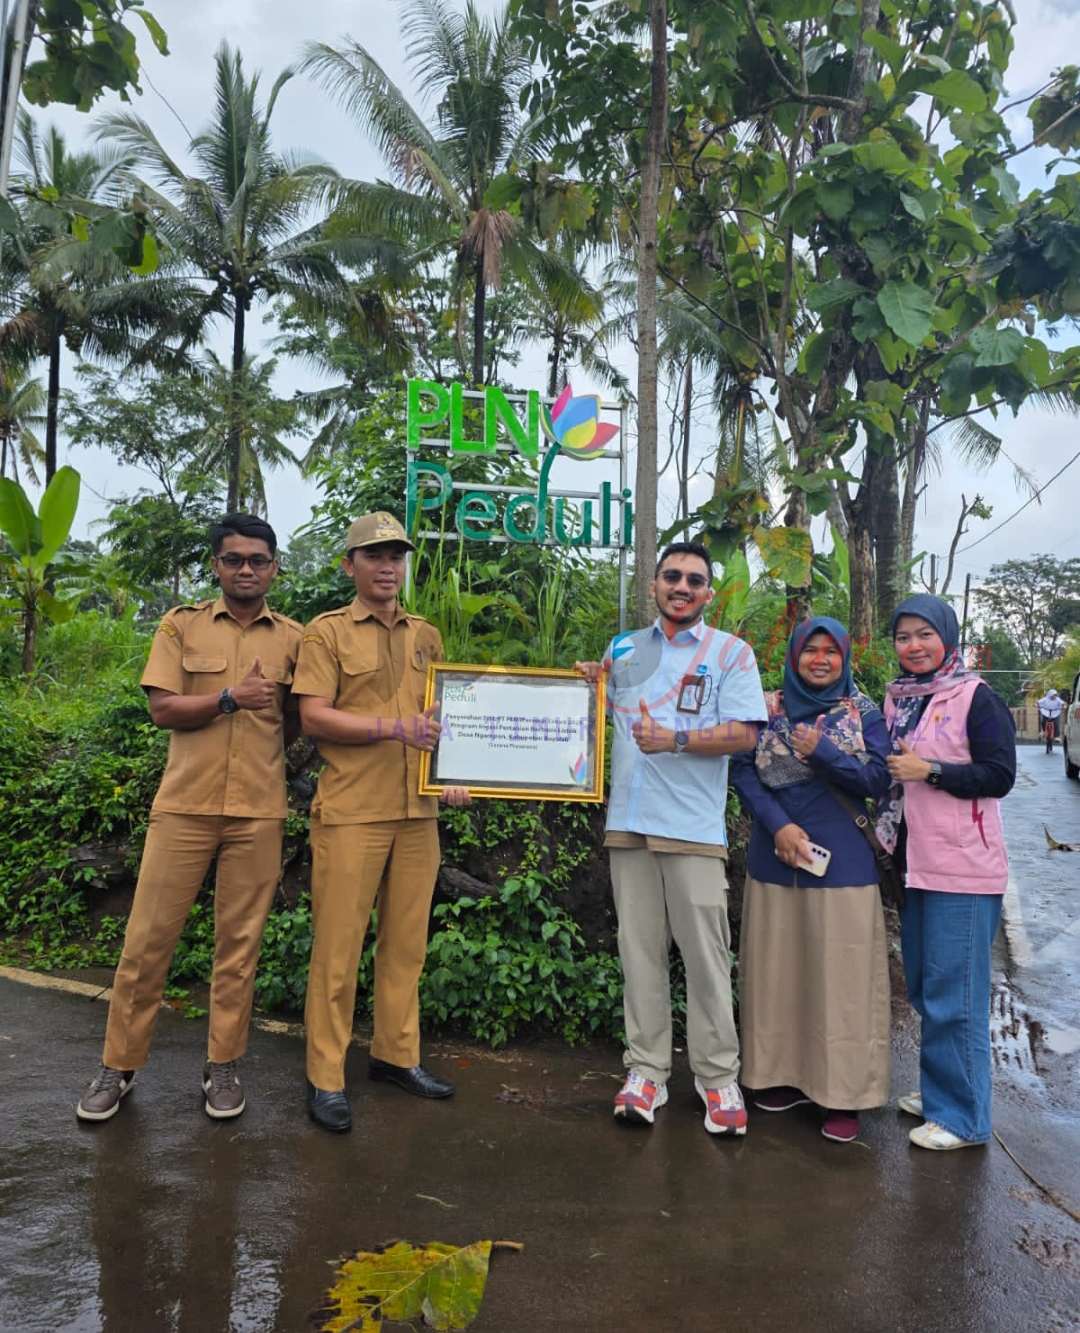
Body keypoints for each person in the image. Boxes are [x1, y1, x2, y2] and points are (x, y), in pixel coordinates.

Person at [77, 514, 303, 1123]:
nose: (247, 569)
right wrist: (230, 698)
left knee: (239, 947)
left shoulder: (294, 638)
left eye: (258, 560)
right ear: (216, 566)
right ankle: (118, 1066)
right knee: (147, 942)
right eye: (234, 559)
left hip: (258, 812)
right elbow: (163, 709)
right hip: (184, 808)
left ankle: (222, 1066)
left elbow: (297, 720)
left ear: (274, 567)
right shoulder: (180, 625)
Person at [576, 542, 767, 1136]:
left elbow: (747, 735)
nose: (682, 587)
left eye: (694, 579)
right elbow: (603, 718)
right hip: (630, 822)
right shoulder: (623, 649)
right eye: (671, 576)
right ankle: (646, 1072)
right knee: (639, 955)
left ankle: (718, 1077)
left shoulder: (730, 653)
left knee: (706, 959)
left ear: (708, 592)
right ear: (654, 584)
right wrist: (587, 687)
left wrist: (678, 740)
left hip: (692, 828)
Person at [292, 512, 469, 1134]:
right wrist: (394, 728)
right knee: (338, 949)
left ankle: (395, 1055)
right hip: (353, 811)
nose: (388, 566)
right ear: (350, 566)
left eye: (396, 555)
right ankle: (325, 1075)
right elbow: (314, 717)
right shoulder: (326, 634)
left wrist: (455, 773)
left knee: (406, 945)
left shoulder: (427, 634)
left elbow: (443, 718)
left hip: (418, 812)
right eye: (374, 555)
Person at [730, 617, 893, 1144]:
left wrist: (822, 751)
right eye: (810, 650)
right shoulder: (765, 707)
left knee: (842, 982)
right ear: (794, 656)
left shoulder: (863, 713)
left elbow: (877, 778)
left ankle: (843, 1094)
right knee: (777, 973)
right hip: (774, 855)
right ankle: (780, 1076)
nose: (820, 660)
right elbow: (741, 770)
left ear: (844, 659)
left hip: (842, 864)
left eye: (831, 652)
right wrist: (778, 825)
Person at [879, 594, 1016, 1151]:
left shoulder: (976, 696)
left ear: (947, 638)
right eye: (903, 637)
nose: (913, 646)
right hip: (915, 866)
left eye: (924, 635)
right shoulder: (900, 699)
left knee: (955, 994)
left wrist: (931, 770)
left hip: (963, 867)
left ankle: (963, 1118)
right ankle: (941, 1091)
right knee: (925, 986)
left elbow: (1000, 774)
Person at [1037, 687, 1064, 753]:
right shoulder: (1045, 699)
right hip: (1046, 713)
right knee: (1043, 721)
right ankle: (1043, 731)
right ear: (1049, 695)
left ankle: (1056, 736)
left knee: (1056, 723)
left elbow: (1062, 703)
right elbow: (1038, 702)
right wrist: (1036, 705)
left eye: (1055, 695)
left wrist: (1063, 706)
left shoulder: (1057, 699)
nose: (1054, 696)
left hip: (1055, 714)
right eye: (1053, 695)